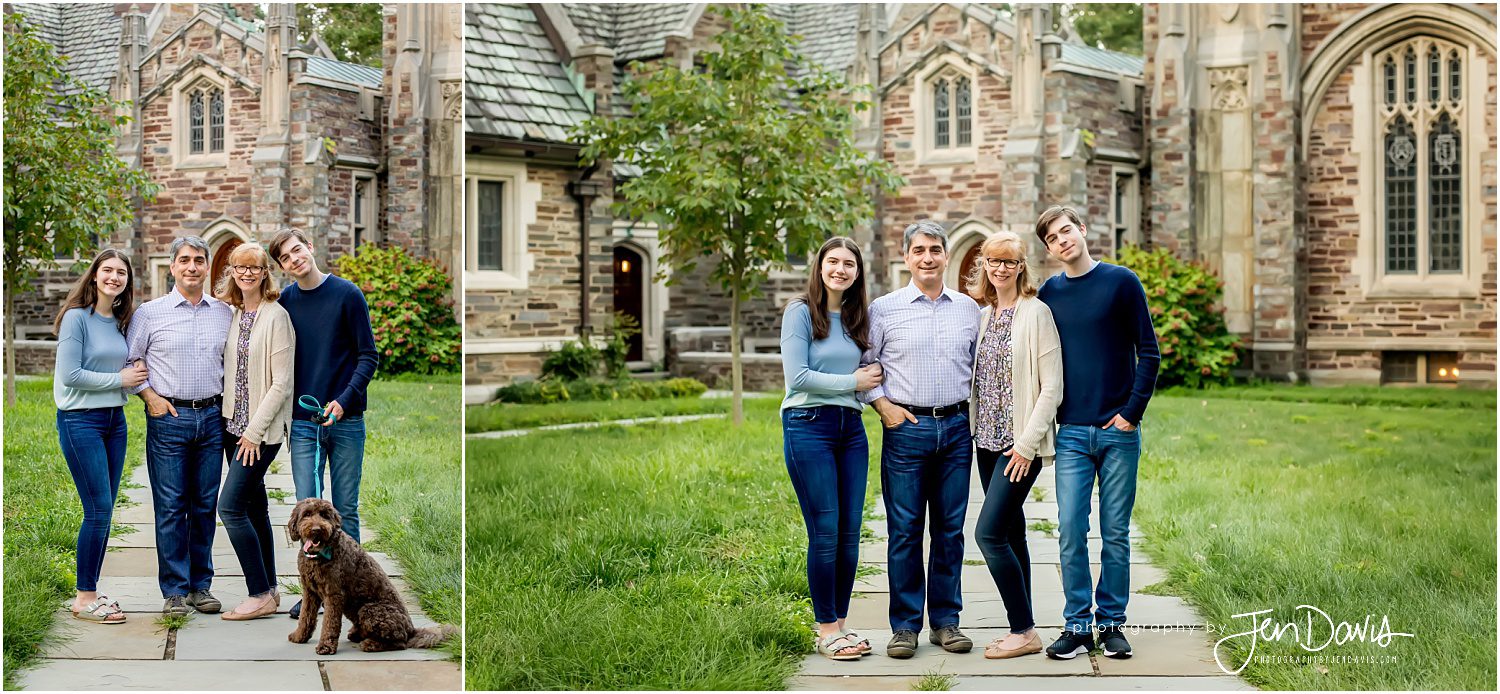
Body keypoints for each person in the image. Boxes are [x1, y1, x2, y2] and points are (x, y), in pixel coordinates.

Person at [1034, 206, 1160, 660]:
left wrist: (1131, 413)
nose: (1062, 240)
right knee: (1069, 529)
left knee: (1115, 532)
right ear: (1048, 249)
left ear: (1083, 230)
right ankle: (1077, 625)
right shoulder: (1049, 294)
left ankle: (1111, 625)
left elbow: (1149, 351)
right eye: (1052, 237)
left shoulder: (1121, 282)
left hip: (1118, 432)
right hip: (1071, 433)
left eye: (1067, 230)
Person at [859, 221, 981, 659]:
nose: (927, 258)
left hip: (955, 430)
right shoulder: (884, 309)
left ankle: (946, 622)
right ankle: (905, 626)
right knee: (906, 531)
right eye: (919, 251)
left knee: (950, 531)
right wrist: (882, 405)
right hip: (906, 432)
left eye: (935, 250)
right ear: (906, 257)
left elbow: (981, 373)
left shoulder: (969, 309)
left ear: (946, 256)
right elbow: (865, 367)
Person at [266, 227, 378, 620]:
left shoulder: (348, 295)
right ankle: (312, 592)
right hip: (304, 422)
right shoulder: (285, 303)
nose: (294, 259)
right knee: (307, 513)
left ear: (310, 248)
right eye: (285, 258)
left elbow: (368, 357)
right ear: (281, 266)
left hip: (347, 421)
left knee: (344, 506)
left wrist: (344, 403)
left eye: (298, 250)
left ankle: (353, 592)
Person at [780, 237, 883, 660]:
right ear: (820, 266)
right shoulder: (800, 312)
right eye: (833, 262)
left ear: (858, 272)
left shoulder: (858, 317)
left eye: (849, 264)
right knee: (825, 531)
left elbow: (869, 372)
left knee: (849, 534)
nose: (840, 269)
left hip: (850, 429)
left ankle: (840, 622)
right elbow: (798, 377)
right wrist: (854, 383)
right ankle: (825, 629)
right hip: (808, 426)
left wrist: (866, 389)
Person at [964, 231, 1063, 659]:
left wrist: (1026, 445)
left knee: (987, 534)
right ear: (983, 264)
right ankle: (1023, 625)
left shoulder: (1036, 312)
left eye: (1009, 261)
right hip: (985, 442)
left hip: (1017, 447)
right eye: (993, 260)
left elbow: (1052, 388)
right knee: (1011, 530)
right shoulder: (985, 315)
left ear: (1022, 267)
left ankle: (1023, 631)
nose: (1000, 267)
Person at [126, 236, 234, 616]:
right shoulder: (150, 313)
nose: (192, 267)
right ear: (172, 267)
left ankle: (199, 587)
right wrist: (150, 396)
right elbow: (130, 361)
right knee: (171, 507)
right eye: (184, 260)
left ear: (208, 267)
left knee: (205, 506)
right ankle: (173, 589)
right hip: (168, 419)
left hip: (211, 418)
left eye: (199, 260)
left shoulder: (224, 312)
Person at [54, 249, 147, 624]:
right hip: (80, 422)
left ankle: (91, 589)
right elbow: (69, 375)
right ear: (94, 276)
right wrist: (120, 380)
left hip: (114, 422)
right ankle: (84, 597)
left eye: (121, 272)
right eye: (107, 270)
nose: (114, 277)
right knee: (97, 510)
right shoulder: (77, 318)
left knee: (105, 512)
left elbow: (118, 365)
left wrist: (133, 371)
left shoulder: (120, 321)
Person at [215, 243, 296, 621]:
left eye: (255, 268)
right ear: (231, 270)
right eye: (240, 267)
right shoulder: (232, 313)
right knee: (255, 506)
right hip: (232, 427)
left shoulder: (275, 316)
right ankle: (272, 589)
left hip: (259, 433)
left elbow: (281, 384)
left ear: (266, 273)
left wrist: (253, 432)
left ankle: (258, 591)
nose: (247, 273)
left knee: (230, 508)